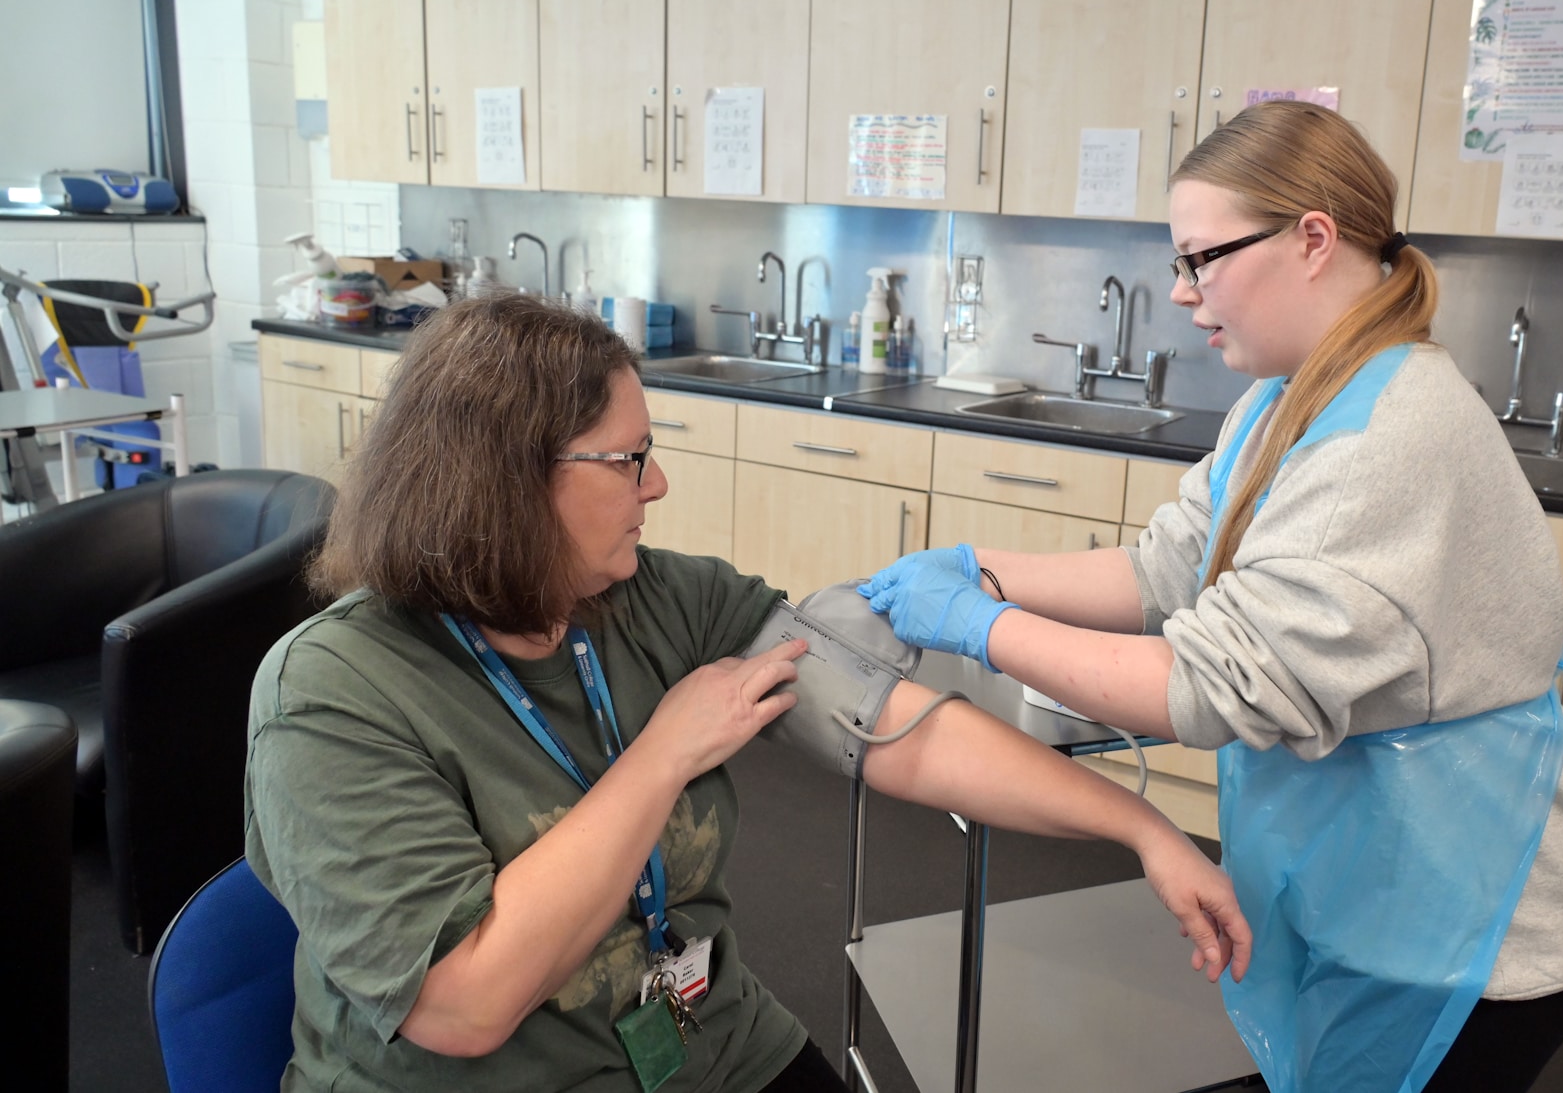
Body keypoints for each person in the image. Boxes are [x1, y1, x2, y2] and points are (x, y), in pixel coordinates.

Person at [243, 294, 1250, 1093]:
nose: (659, 484)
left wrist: (1141, 829)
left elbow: (893, 729)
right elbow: (463, 1006)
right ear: (508, 478)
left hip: (692, 1033)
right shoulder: (332, 692)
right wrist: (668, 748)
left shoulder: (656, 598)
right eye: (630, 458)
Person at [861, 101, 1563, 1093]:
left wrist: (984, 624)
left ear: (1312, 238)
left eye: (1202, 258)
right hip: (1386, 877)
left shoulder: (1385, 440)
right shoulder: (1289, 398)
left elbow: (1202, 687)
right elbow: (1168, 567)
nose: (1184, 291)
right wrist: (981, 565)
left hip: (1478, 918)